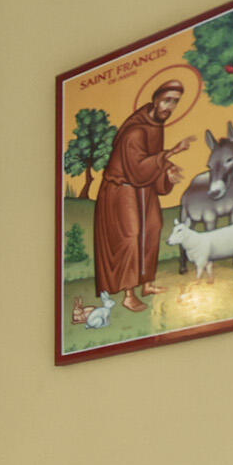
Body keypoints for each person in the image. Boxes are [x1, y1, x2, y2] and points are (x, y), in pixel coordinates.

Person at [92, 76, 195, 311]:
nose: (170, 107)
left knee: (153, 227)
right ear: (156, 99)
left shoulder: (155, 127)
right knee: (131, 234)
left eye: (175, 102)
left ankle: (147, 283)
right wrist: (171, 153)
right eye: (167, 100)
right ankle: (129, 294)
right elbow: (137, 167)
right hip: (122, 190)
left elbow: (149, 164)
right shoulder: (136, 130)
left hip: (143, 188)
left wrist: (166, 173)